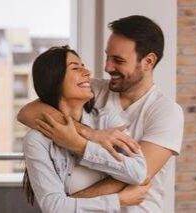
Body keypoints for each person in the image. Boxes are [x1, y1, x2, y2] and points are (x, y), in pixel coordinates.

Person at [19, 15, 184, 212]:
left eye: (118, 60)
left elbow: (141, 175)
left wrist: (69, 201)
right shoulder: (94, 91)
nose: (107, 67)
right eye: (108, 56)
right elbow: (28, 112)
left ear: (148, 61)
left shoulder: (166, 112)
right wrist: (89, 133)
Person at [23, 46, 151, 213]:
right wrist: (119, 200)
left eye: (83, 65)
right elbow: (53, 207)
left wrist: (81, 146)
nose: (87, 72)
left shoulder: (107, 121)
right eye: (76, 68)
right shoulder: (37, 140)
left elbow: (139, 173)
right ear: (54, 79)